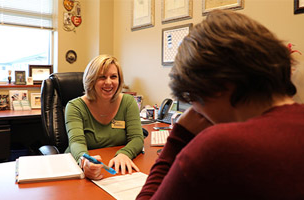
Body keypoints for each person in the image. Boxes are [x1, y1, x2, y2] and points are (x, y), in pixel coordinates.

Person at [137, 10, 304, 199]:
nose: (196, 110)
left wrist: (179, 137)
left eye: (193, 99)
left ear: (216, 86)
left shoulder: (219, 146)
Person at [65, 54, 144, 180]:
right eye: (102, 77)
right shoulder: (75, 106)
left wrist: (125, 154)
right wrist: (85, 162)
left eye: (113, 76)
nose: (108, 82)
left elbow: (137, 138)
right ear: (91, 80)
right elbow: (76, 142)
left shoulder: (128, 102)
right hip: (81, 169)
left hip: (116, 169)